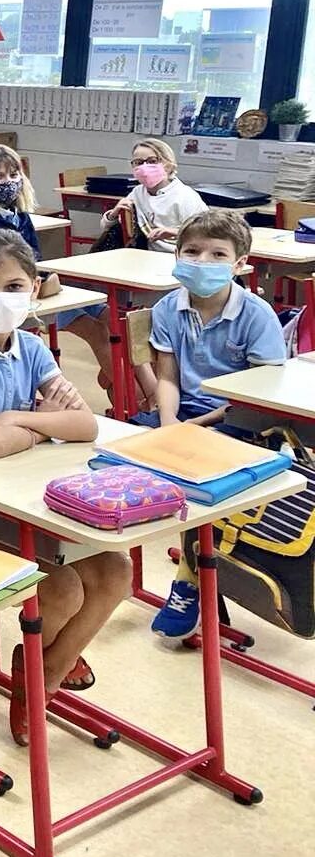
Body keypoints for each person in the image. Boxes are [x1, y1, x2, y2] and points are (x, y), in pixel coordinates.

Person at [0, 229, 129, 744]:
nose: (1, 298)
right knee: (61, 586)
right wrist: (38, 424)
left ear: (35, 290)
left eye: (15, 285)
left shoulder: (33, 348)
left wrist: (17, 417)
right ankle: (43, 672)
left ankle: (45, 669)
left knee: (115, 570)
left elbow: (85, 425)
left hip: (25, 495)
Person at [142, 209, 286, 642]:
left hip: (240, 421)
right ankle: (198, 558)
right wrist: (169, 423)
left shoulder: (256, 315)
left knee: (199, 478)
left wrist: (194, 427)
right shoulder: (169, 306)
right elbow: (167, 377)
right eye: (192, 251)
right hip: (183, 417)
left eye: (217, 254)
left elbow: (258, 399)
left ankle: (188, 581)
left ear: (240, 264)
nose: (202, 261)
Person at [0, 145, 125, 402]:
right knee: (95, 331)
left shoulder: (20, 214)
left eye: (14, 176)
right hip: (17, 296)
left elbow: (34, 254)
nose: (8, 183)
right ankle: (130, 398)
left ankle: (118, 384)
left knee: (109, 318)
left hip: (35, 284)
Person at [102, 137, 205, 254]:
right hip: (145, 254)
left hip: (177, 255)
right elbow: (106, 227)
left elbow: (206, 233)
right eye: (138, 163)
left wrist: (176, 232)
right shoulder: (138, 192)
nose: (144, 167)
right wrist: (114, 213)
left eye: (152, 161)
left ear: (168, 165)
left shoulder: (184, 196)